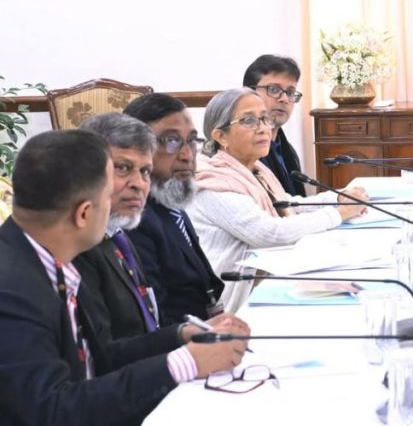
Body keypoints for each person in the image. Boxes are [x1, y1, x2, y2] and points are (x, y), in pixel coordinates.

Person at [0, 130, 248, 425]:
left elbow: (98, 357)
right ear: (84, 214)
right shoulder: (12, 290)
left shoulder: (47, 256)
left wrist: (180, 335)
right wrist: (184, 363)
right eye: (108, 196)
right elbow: (50, 410)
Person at [188, 88, 368, 313]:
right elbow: (271, 233)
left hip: (266, 280)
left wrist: (338, 197)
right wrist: (339, 213)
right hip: (237, 301)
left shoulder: (254, 169)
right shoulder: (213, 182)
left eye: (264, 118)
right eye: (249, 121)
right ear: (221, 136)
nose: (263, 128)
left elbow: (286, 205)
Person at [123, 93, 225, 324]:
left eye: (192, 141)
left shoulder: (171, 204)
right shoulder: (135, 219)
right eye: (171, 141)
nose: (187, 155)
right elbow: (155, 318)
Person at [73, 114, 165, 342]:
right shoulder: (77, 247)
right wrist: (182, 348)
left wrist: (185, 337)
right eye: (123, 168)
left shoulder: (118, 235)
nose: (139, 184)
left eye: (145, 171)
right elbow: (104, 353)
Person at [243, 54, 306, 195]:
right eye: (273, 89)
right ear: (249, 93)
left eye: (290, 92)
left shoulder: (288, 151)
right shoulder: (241, 151)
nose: (284, 99)